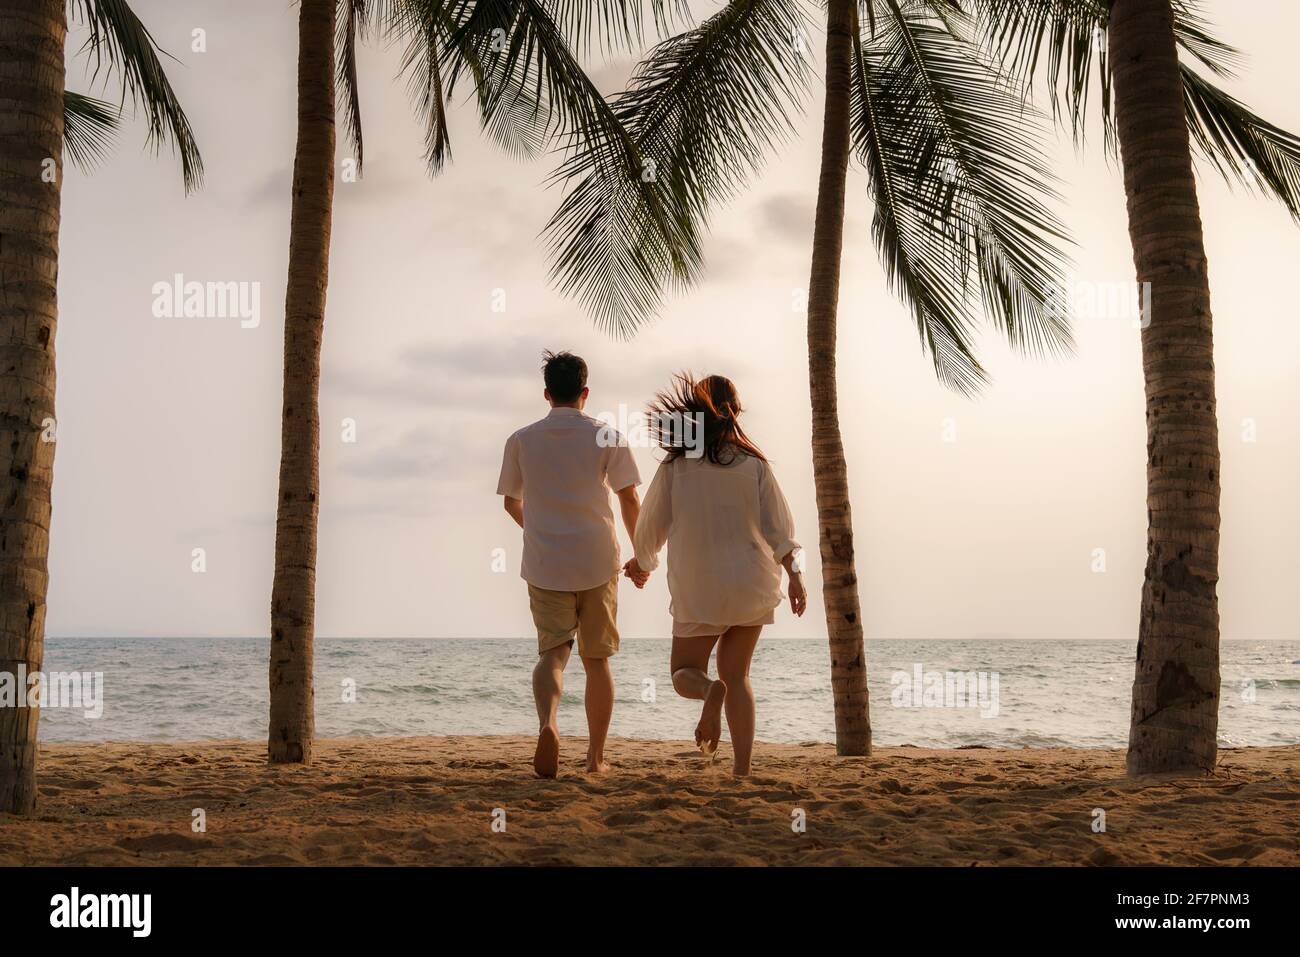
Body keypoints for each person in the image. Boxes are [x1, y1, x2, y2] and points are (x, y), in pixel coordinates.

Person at [624, 374, 805, 777]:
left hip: (698, 587)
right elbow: (780, 530)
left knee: (681, 673)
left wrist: (643, 563)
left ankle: (708, 690)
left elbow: (650, 526)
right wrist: (795, 575)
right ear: (734, 413)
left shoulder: (677, 465)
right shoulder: (754, 464)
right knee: (738, 677)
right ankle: (741, 770)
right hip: (751, 585)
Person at [497, 351, 641, 777]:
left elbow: (511, 502)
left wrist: (537, 530)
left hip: (546, 564)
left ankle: (548, 724)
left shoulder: (521, 439)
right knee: (597, 660)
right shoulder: (607, 436)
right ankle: (595, 759)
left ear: (546, 393)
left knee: (553, 653)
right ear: (585, 392)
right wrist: (643, 555)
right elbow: (629, 497)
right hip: (598, 560)